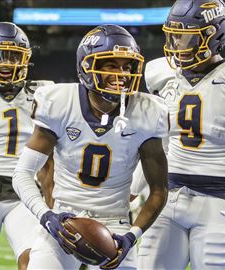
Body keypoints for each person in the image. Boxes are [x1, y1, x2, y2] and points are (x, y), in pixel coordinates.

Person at [12, 24, 169, 270]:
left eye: (127, 66)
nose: (122, 75)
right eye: (111, 65)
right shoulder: (59, 102)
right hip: (63, 219)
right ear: (86, 66)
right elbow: (21, 174)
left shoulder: (149, 111)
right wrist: (47, 216)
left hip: (115, 224)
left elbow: (159, 190)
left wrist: (132, 236)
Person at [134, 0, 225, 269]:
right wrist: (133, 187)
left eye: (186, 37)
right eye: (173, 35)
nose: (177, 44)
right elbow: (159, 140)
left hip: (221, 201)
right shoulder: (161, 74)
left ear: (214, 35)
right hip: (166, 197)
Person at [0, 22, 53, 270]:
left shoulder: (45, 92)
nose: (6, 63)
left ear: (25, 58)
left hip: (24, 192)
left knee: (35, 261)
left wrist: (52, 201)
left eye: (13, 56)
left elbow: (52, 156)